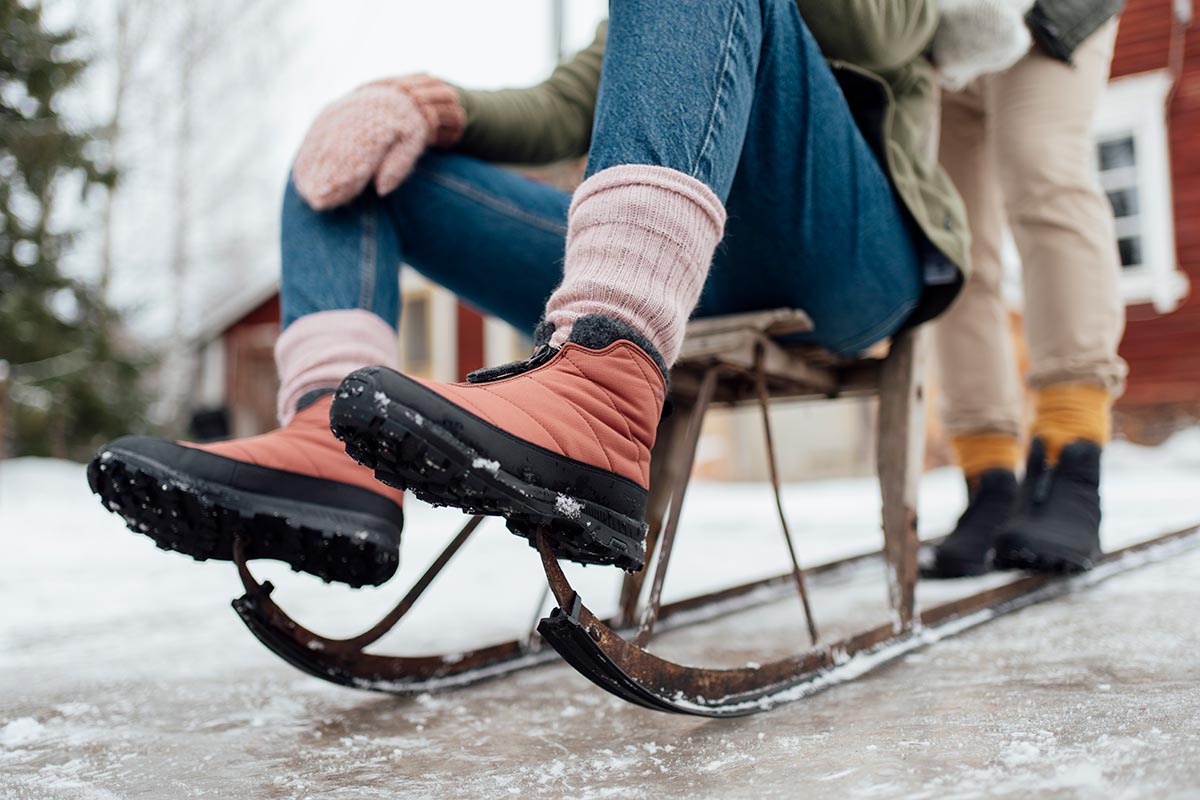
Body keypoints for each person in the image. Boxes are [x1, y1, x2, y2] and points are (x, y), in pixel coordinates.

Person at [90, 0, 970, 583]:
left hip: (853, 251)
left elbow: (888, 30)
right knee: (350, 159)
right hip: (680, 250)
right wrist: (432, 106)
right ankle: (331, 449)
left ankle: (604, 382)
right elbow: (561, 104)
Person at [922, 0, 1127, 578]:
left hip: (1048, 12)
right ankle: (988, 478)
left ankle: (1072, 452)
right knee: (951, 240)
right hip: (939, 34)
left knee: (1042, 168)